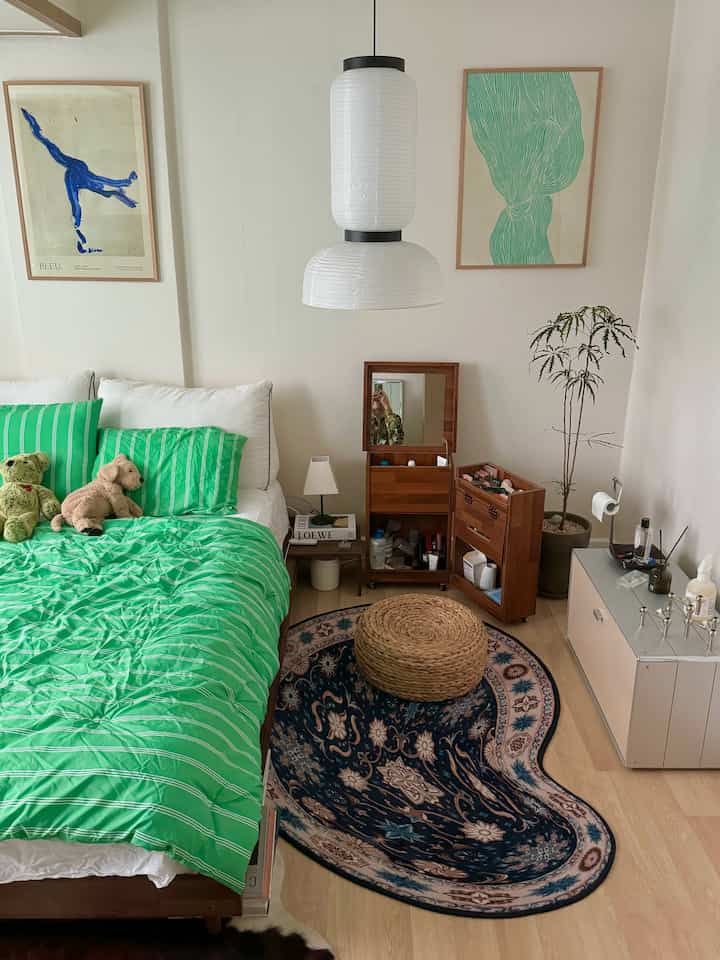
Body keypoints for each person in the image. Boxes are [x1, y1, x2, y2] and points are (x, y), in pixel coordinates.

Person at [21, 107, 138, 255]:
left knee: (81, 200)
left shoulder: (92, 183)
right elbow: (108, 182)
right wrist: (127, 182)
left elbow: (105, 185)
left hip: (74, 175)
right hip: (75, 171)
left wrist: (125, 184)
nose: (99, 186)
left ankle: (78, 230)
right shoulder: (90, 178)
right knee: (50, 148)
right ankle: (78, 229)